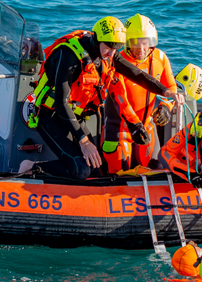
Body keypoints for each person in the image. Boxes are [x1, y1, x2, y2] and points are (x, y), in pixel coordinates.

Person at [25, 17, 181, 180]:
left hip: (74, 117)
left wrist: (166, 92)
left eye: (116, 49)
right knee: (82, 171)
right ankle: (30, 167)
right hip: (51, 115)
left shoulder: (109, 53)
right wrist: (84, 141)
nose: (112, 53)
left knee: (96, 170)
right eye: (109, 48)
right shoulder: (69, 55)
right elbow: (61, 103)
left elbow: (137, 74)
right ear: (96, 40)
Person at [103, 14, 185, 172]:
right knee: (120, 173)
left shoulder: (160, 58)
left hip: (147, 126)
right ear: (127, 43)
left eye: (145, 43)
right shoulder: (118, 62)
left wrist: (165, 107)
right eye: (135, 43)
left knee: (155, 168)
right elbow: (121, 100)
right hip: (120, 129)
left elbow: (170, 87)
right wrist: (135, 125)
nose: (141, 49)